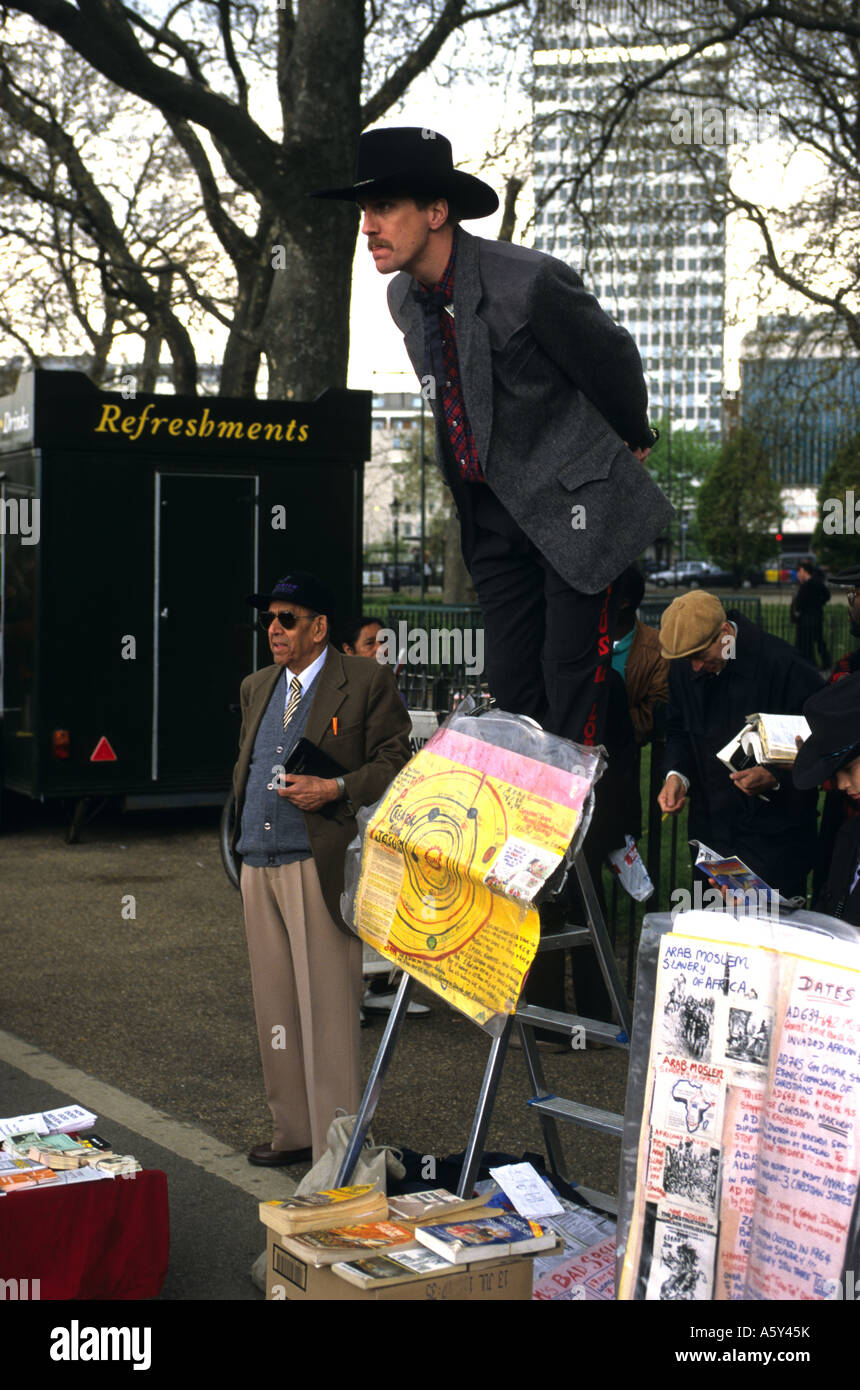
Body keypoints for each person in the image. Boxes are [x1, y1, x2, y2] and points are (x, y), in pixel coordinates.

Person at [313, 127, 672, 750]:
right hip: (491, 517)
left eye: (384, 208)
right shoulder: (402, 298)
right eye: (363, 211)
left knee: (571, 689)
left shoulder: (528, 282)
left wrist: (633, 434)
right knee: (512, 690)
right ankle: (530, 835)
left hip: (573, 511)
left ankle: (589, 841)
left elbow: (612, 356)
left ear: (435, 211)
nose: (367, 226)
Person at [231, 572, 411, 1165]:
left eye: (287, 618)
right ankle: (294, 1132)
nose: (274, 629)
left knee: (329, 1007)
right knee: (274, 1004)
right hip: (258, 861)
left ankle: (339, 1144)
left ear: (319, 627)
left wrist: (335, 786)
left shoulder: (365, 679)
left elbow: (395, 759)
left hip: (316, 859)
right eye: (269, 620)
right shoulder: (257, 685)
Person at [657, 591, 823, 899]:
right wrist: (676, 775)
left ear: (724, 634)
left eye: (701, 657)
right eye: (688, 660)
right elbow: (679, 728)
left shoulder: (782, 664)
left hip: (772, 838)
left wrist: (776, 775)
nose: (694, 668)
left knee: (769, 937)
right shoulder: (685, 665)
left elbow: (822, 743)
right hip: (713, 838)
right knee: (714, 936)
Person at [339, 615, 430, 1020]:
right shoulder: (342, 692)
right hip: (355, 808)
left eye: (386, 642)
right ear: (348, 650)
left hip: (389, 811)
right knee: (350, 892)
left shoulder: (389, 688)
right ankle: (345, 994)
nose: (382, 649)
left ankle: (381, 984)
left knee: (384, 893)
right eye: (370, 642)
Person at [793, 673, 860, 925]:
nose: (841, 785)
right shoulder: (850, 835)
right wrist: (765, 909)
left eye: (849, 769)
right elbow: (828, 920)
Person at [611, 564, 669, 743]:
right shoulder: (581, 638)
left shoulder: (657, 647)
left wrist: (610, 724)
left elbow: (655, 710)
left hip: (622, 749)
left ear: (623, 603)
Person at [791, 559, 830, 668]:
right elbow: (827, 596)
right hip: (816, 617)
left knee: (807, 643)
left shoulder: (806, 586)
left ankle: (811, 664)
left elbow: (800, 603)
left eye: (799, 571)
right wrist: (818, 604)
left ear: (804, 571)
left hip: (806, 619)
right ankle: (825, 663)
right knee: (819, 642)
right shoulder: (817, 583)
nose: (798, 574)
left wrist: (798, 611)